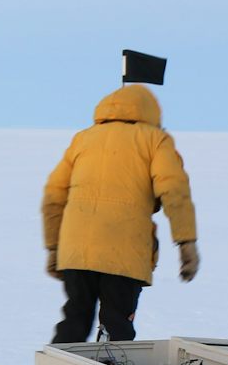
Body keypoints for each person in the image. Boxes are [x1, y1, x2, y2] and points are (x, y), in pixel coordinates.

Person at [42, 83, 199, 343]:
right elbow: (174, 191)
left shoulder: (83, 138)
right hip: (124, 248)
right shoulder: (155, 140)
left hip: (76, 250)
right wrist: (186, 242)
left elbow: (53, 196)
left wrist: (53, 247)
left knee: (75, 321)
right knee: (116, 327)